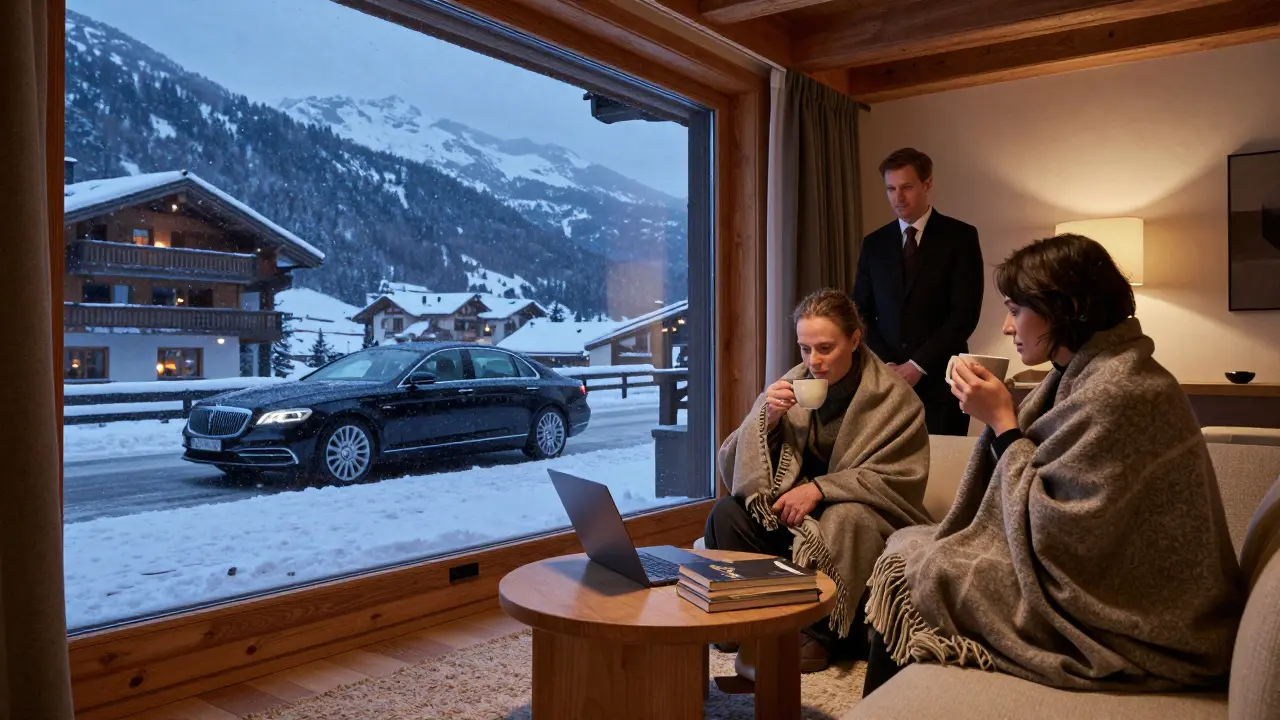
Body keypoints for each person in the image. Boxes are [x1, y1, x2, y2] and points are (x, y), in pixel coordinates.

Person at [862, 234, 1244, 696]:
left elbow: (1060, 528)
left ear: (1062, 309)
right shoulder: (1089, 372)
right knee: (909, 547)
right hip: (1100, 575)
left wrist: (1002, 421)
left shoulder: (1123, 389)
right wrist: (999, 419)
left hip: (1141, 612)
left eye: (1016, 309)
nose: (1007, 326)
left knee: (927, 567)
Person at [708, 289, 931, 674]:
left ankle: (819, 635)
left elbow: (898, 478)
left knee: (846, 518)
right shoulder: (791, 386)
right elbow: (740, 463)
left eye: (826, 348)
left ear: (855, 339)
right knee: (728, 512)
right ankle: (747, 615)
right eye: (804, 349)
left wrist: (821, 489)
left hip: (860, 516)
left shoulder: (896, 399)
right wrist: (768, 420)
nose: (814, 362)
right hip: (796, 516)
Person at [853, 148, 983, 435]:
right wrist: (888, 365)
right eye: (891, 189)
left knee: (943, 474)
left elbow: (964, 314)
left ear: (927, 184)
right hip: (886, 386)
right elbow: (860, 311)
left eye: (907, 187)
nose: (898, 198)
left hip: (942, 385)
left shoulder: (960, 237)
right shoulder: (873, 244)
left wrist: (917, 365)